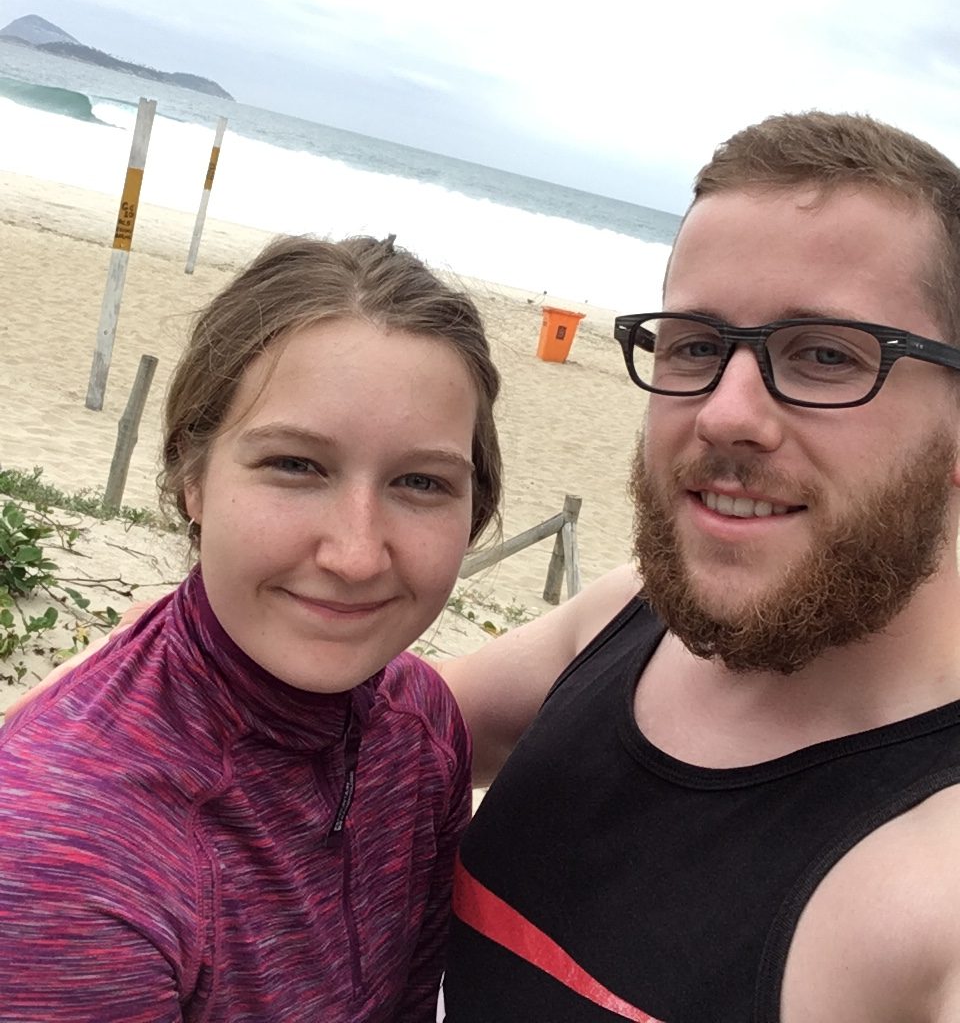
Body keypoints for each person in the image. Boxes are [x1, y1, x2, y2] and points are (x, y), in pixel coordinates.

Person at [438, 111, 960, 1021]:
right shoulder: (624, 622)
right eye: (695, 345)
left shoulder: (931, 896)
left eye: (827, 354)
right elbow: (319, 732)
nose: (726, 413)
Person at [0, 233, 502, 1022]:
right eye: (296, 466)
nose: (356, 553)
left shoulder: (421, 730)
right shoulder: (67, 860)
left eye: (420, 482)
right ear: (191, 476)